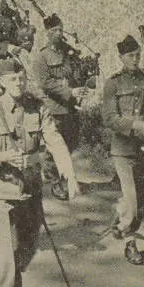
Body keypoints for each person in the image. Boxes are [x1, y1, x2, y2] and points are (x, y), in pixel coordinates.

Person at [0, 58, 79, 287]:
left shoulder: (37, 108)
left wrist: (68, 170)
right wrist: (1, 156)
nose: (18, 82)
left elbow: (54, 139)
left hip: (30, 191)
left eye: (21, 78)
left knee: (28, 249)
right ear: (2, 82)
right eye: (12, 79)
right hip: (1, 194)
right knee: (7, 259)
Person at [102, 34, 144, 265]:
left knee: (140, 202)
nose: (135, 59)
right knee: (132, 203)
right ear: (121, 57)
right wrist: (134, 124)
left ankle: (120, 220)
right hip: (123, 149)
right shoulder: (113, 83)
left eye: (137, 55)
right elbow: (109, 118)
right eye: (131, 55)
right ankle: (130, 244)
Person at [30, 13, 95, 200]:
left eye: (60, 29)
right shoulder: (42, 57)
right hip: (54, 107)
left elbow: (77, 73)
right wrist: (69, 91)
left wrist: (85, 81)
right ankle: (54, 182)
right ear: (47, 33)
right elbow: (44, 82)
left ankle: (65, 176)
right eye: (54, 30)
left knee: (71, 142)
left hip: (70, 107)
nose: (59, 33)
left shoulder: (69, 53)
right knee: (53, 148)